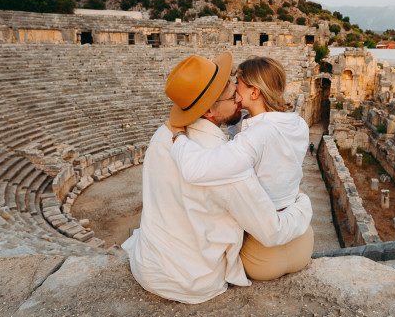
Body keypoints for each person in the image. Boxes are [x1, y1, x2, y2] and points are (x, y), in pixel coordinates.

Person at [122, 52, 312, 304]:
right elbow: (270, 230)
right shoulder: (226, 163)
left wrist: (178, 134)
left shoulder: (161, 136)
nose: (238, 98)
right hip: (194, 281)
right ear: (210, 109)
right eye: (232, 95)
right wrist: (303, 203)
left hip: (148, 266)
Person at [166, 56, 313, 281]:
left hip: (262, 254)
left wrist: (178, 135)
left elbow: (194, 169)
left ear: (254, 92)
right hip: (303, 242)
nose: (234, 87)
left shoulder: (257, 135)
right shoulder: (298, 123)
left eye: (238, 83)